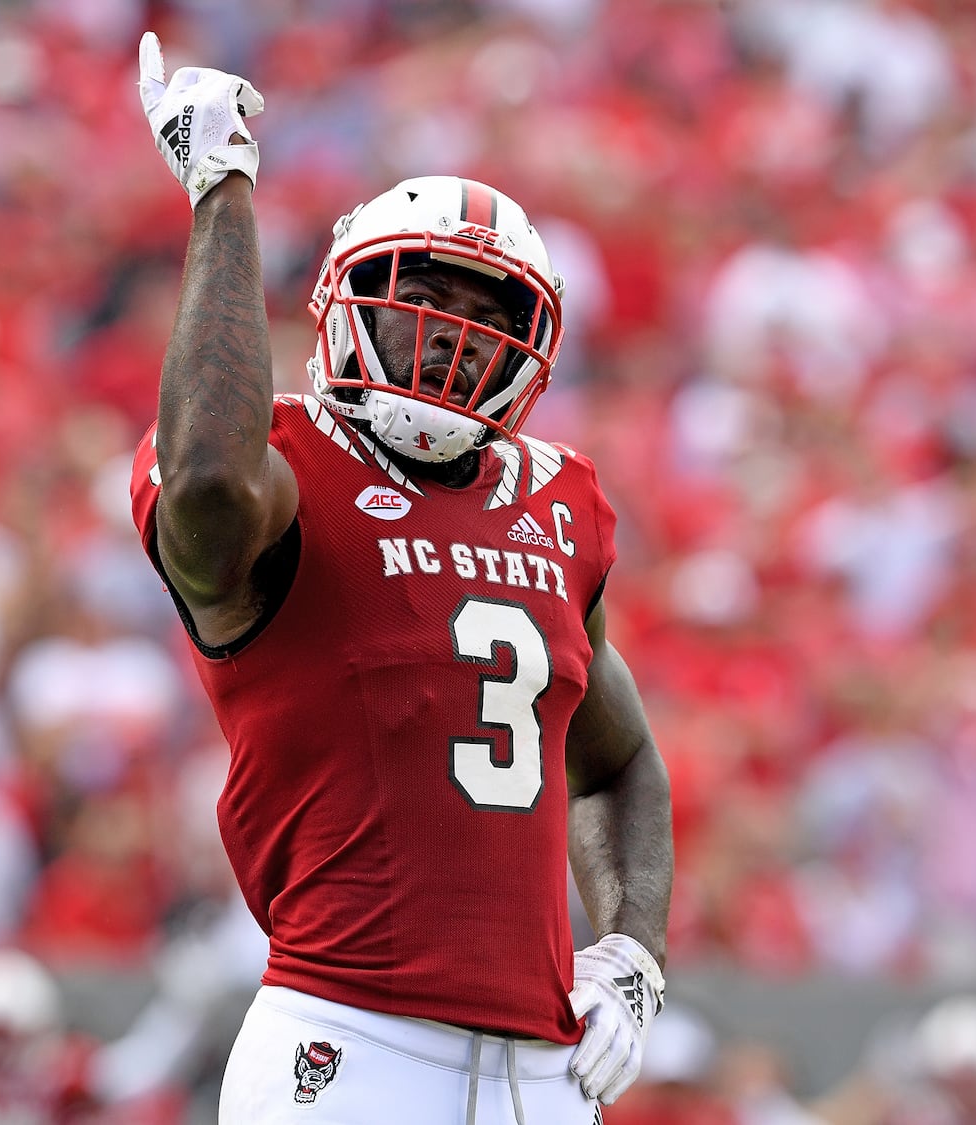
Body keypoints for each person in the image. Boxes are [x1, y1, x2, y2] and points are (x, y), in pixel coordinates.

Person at [128, 32, 674, 1125]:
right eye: (420, 291)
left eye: (486, 317)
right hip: (345, 1049)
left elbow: (616, 765)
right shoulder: (276, 463)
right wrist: (222, 193)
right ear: (344, 300)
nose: (451, 334)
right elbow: (202, 490)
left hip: (546, 1075)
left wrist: (630, 951)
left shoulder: (561, 499)